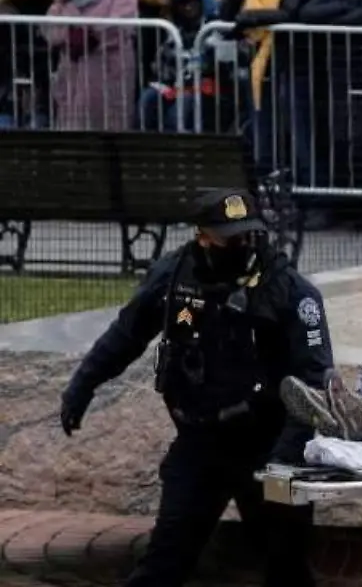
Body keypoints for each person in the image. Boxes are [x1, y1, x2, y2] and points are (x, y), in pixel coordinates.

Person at [58, 188, 334, 587]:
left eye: (248, 234)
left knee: (286, 569)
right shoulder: (173, 277)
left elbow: (313, 382)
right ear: (202, 236)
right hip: (200, 442)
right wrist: (82, 385)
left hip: (269, 448)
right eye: (228, 238)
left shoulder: (290, 291)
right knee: (162, 565)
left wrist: (286, 459)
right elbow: (126, 335)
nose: (241, 244)